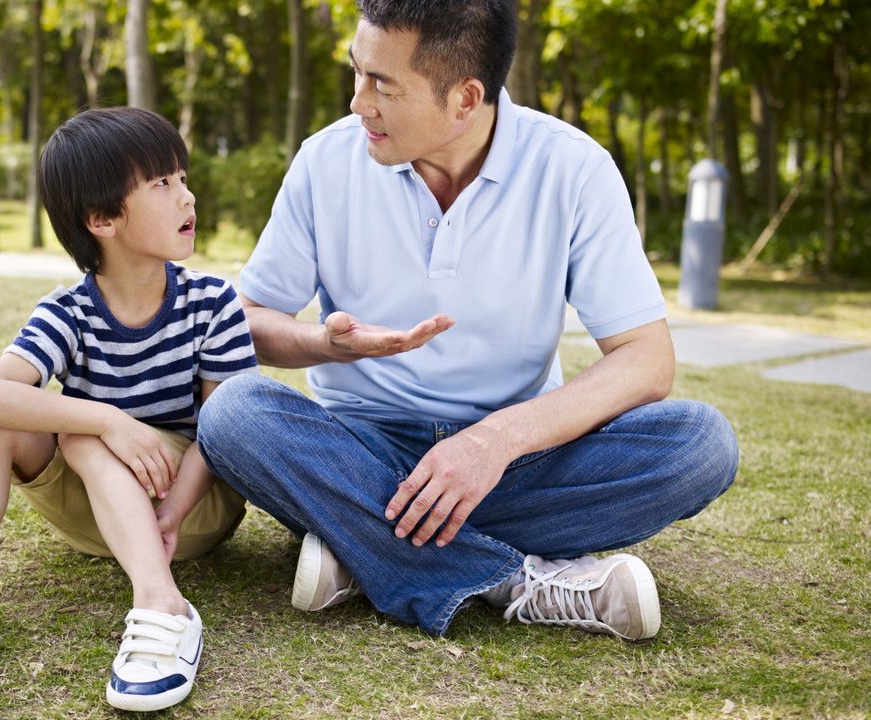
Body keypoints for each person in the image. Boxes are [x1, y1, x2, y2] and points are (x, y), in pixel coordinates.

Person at [196, 0, 739, 642]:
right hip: (362, 448)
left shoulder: (574, 169)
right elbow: (250, 321)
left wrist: (494, 442)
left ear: (465, 98)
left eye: (383, 85)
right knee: (234, 413)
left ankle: (362, 542)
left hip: (517, 459)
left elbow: (646, 360)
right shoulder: (325, 162)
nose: (358, 102)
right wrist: (326, 345)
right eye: (357, 72)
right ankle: (515, 580)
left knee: (701, 445)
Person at [0, 107, 258, 712]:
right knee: (15, 423)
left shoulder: (212, 301)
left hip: (190, 510)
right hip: (95, 515)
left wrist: (168, 515)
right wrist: (108, 419)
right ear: (101, 219)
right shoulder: (69, 311)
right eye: (162, 183)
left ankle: (162, 604)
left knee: (77, 429)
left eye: (183, 178)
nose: (187, 196)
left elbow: (226, 428)